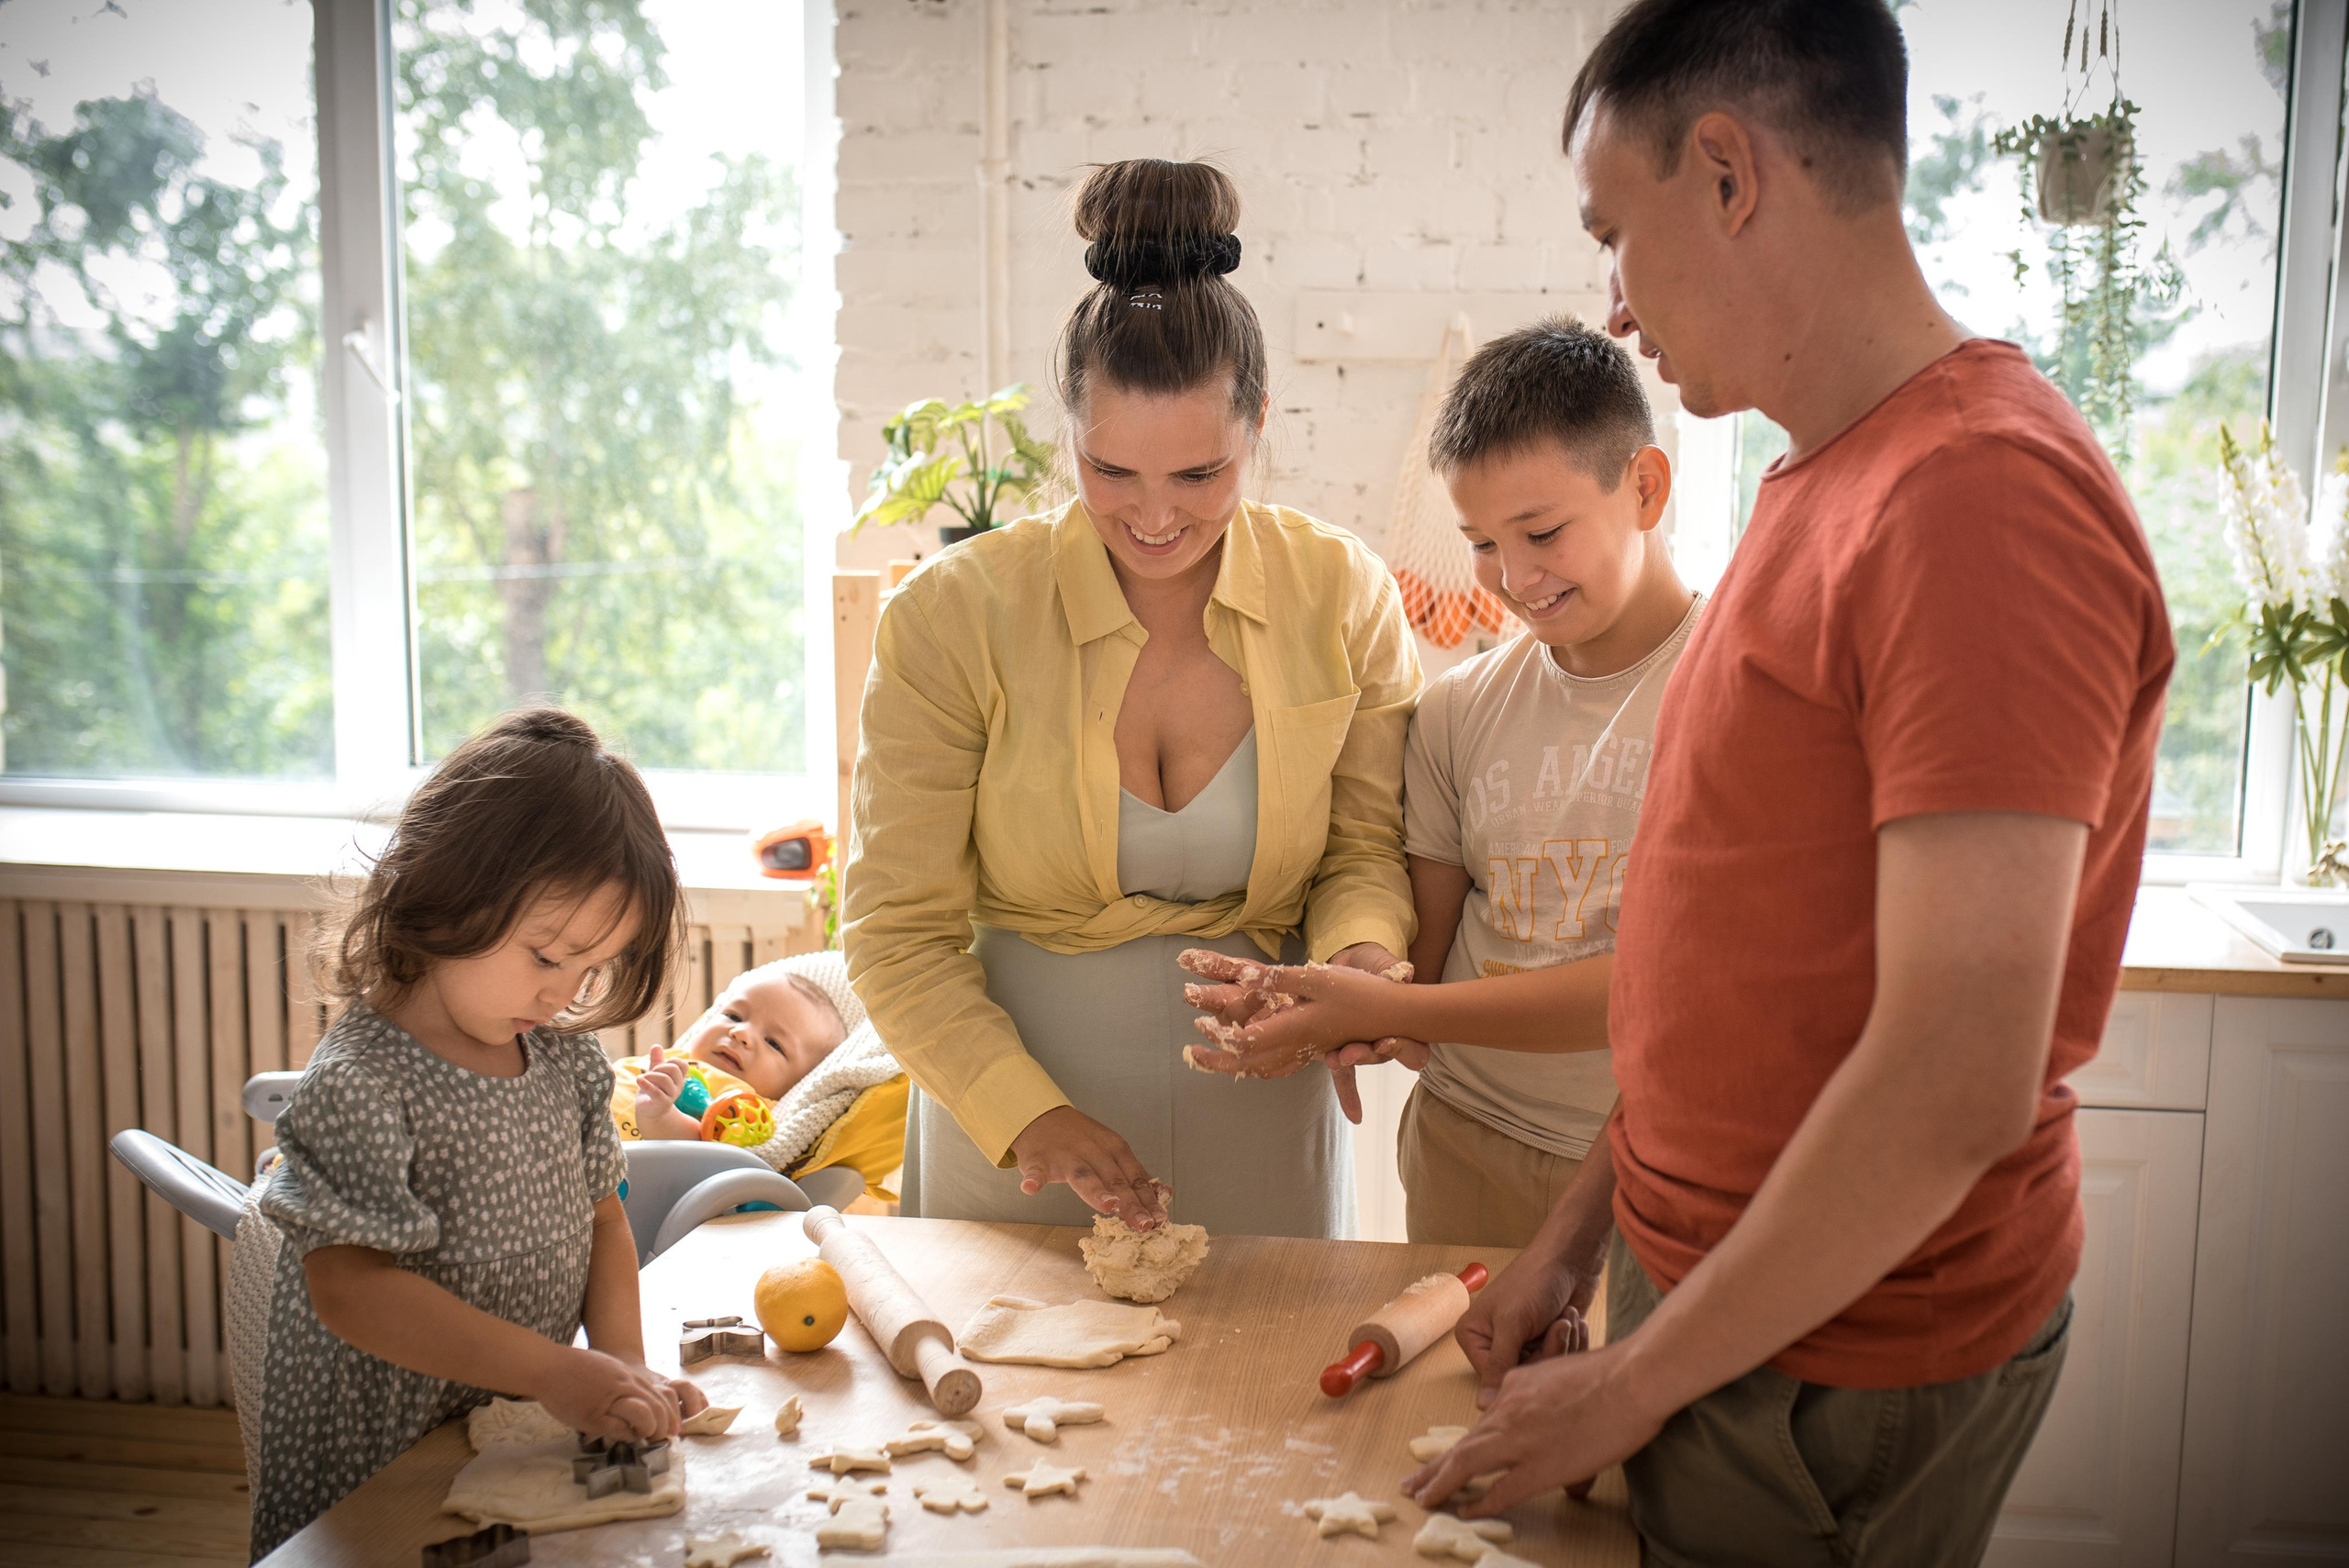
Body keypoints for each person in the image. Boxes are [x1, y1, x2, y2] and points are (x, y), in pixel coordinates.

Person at [1407, 4, 2176, 1564]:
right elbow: (1752, 971)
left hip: (1842, 1346)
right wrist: (1576, 1235)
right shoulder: (1828, 473)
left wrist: (1633, 1383)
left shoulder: (1981, 501)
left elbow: (1955, 1078)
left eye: (1618, 232)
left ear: (1731, 175)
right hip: (1739, 1308)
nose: (1612, 303)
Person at [842, 157, 1419, 1239]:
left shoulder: (1341, 591)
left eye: (1199, 476)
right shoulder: (950, 613)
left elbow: (1363, 852)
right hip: (1013, 1135)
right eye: (1112, 472)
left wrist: (1353, 973)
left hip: (1262, 1117)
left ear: (1258, 425)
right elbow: (896, 930)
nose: (1154, 516)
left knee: (1261, 1403)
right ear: (1070, 433)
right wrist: (1030, 1116)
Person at [1179, 317, 1698, 1248]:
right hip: (1465, 1140)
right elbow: (1419, 971)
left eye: (1540, 531)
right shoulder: (1456, 710)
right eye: (1482, 542)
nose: (1514, 576)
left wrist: (1392, 1007)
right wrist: (1339, 1002)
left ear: (1646, 487)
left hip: (1662, 1161)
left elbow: (1669, 987)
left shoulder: (1732, 686)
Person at [244, 708, 707, 1556]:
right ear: (446, 890)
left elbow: (605, 1217)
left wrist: (622, 1367)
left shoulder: (564, 1059)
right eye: (545, 955)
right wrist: (554, 1370)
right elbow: (350, 1287)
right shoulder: (363, 1081)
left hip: (507, 1429)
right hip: (378, 1466)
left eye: (589, 967)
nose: (562, 990)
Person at [617, 951, 910, 1204]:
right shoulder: (673, 1060)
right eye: (733, 1016)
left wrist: (659, 1116)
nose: (741, 1033)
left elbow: (705, 1157)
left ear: (797, 1085)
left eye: (774, 1044)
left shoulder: (746, 1108)